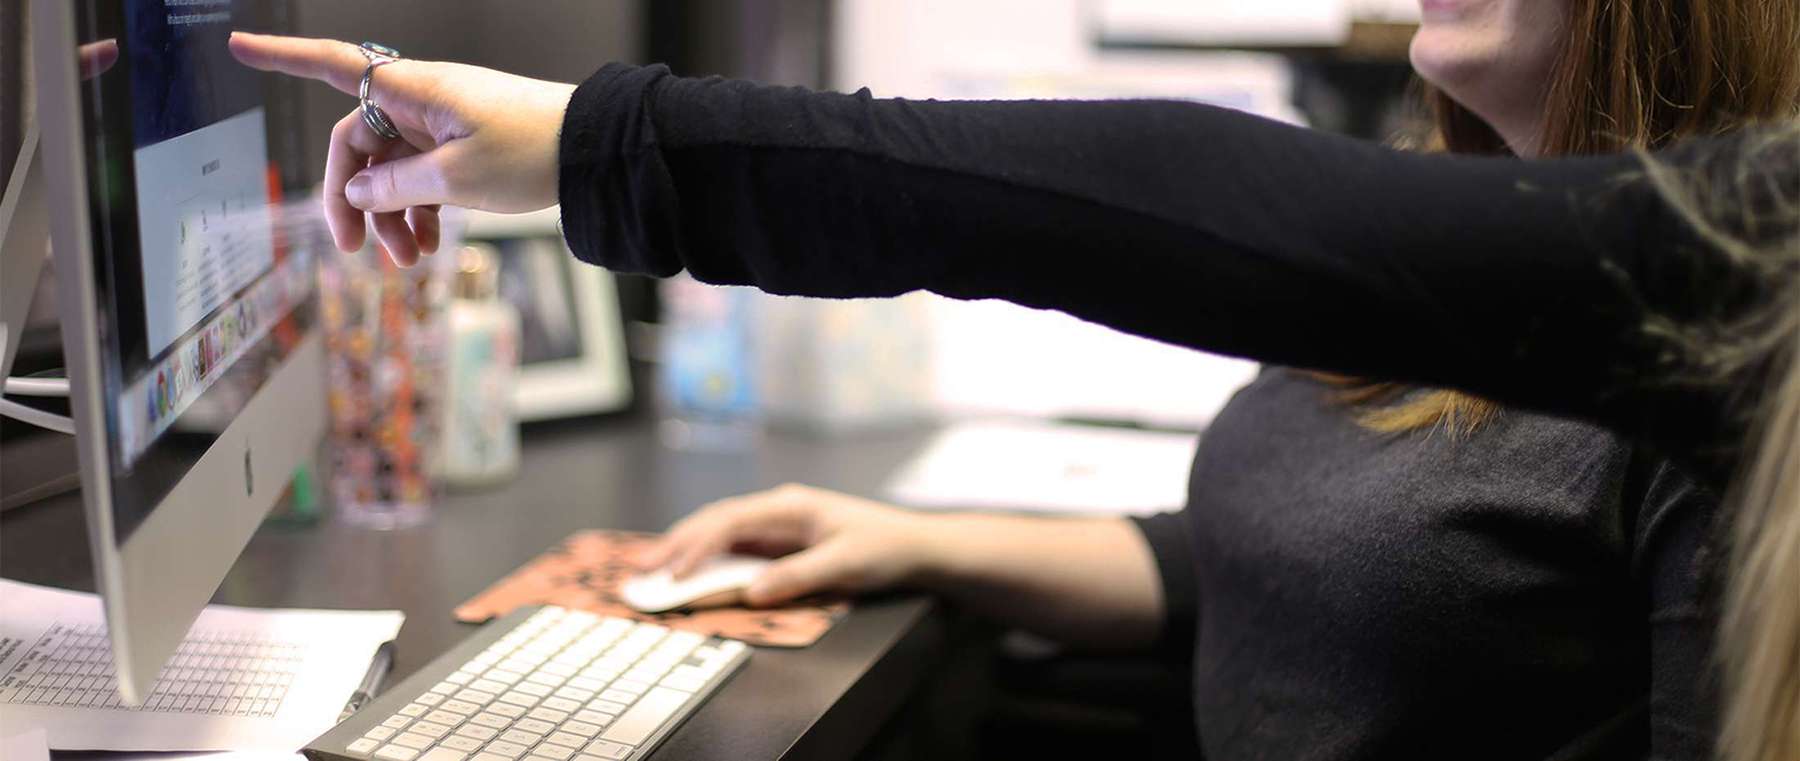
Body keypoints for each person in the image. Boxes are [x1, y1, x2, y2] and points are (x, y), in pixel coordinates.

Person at [224, 0, 1800, 758]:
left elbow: (1165, 197)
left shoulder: (1704, 333)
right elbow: (1329, 563)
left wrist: (599, 146)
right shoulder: (1461, 302)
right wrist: (930, 541)